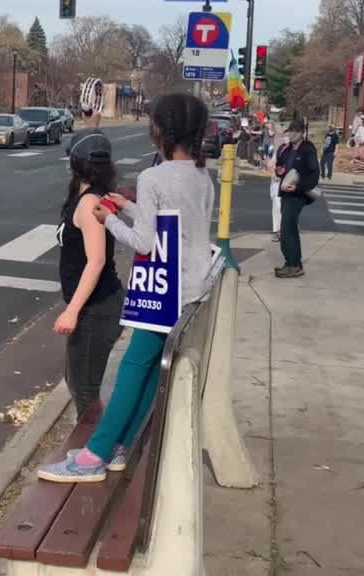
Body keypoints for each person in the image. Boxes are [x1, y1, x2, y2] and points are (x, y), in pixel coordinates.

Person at [37, 92, 213, 483]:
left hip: (165, 291)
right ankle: (120, 444)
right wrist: (129, 207)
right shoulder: (202, 176)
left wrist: (109, 217)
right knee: (150, 370)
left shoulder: (153, 177)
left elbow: (146, 243)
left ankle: (93, 457)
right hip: (194, 286)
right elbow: (177, 224)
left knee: (134, 368)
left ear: (159, 132)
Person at [55, 130, 123, 421]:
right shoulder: (92, 196)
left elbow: (95, 261)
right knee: (76, 378)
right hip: (95, 307)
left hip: (97, 310)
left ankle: (97, 451)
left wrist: (72, 311)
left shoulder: (88, 204)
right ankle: (96, 445)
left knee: (84, 389)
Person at [274, 120, 319, 278]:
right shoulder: (287, 150)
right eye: (289, 131)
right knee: (286, 228)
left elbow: (314, 175)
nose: (291, 134)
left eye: (294, 131)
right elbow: (280, 167)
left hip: (297, 194)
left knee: (288, 227)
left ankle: (294, 264)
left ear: (300, 133)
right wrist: (279, 171)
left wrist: (298, 188)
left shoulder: (307, 149)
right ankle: (291, 262)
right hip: (286, 192)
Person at [268, 134, 290, 242]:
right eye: (285, 136)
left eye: (288, 136)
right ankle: (278, 230)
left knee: (281, 206)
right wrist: (271, 167)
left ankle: (282, 231)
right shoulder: (281, 148)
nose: (285, 138)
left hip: (285, 183)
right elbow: (272, 161)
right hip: (276, 182)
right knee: (276, 207)